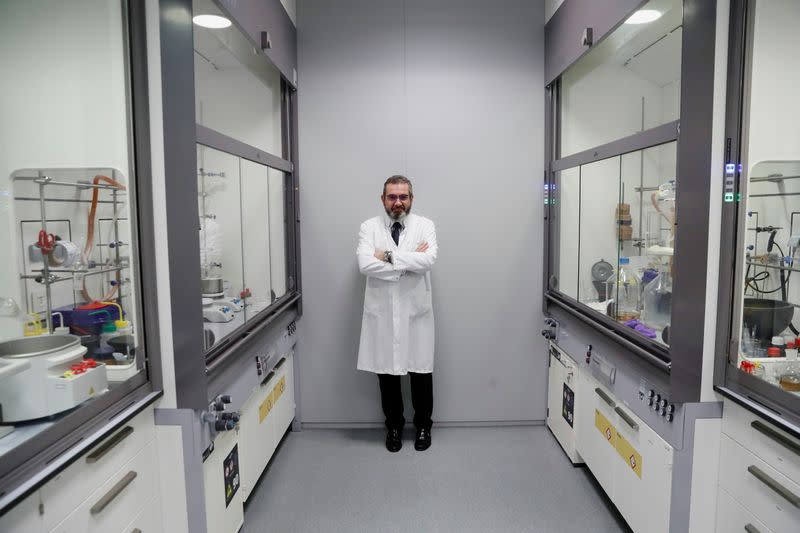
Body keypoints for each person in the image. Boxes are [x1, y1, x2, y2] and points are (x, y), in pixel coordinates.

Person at [356, 175, 438, 452]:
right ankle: (394, 426)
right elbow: (365, 264)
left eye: (403, 196)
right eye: (392, 196)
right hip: (383, 312)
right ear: (383, 199)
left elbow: (428, 260)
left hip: (416, 312)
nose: (398, 202)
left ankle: (424, 426)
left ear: (411, 199)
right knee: (387, 374)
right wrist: (408, 262)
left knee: (420, 373)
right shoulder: (369, 227)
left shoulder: (425, 225)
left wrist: (388, 257)